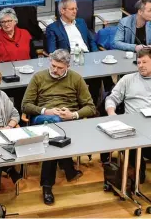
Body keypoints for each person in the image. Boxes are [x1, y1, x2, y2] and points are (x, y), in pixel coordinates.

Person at [104, 48, 151, 206]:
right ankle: (136, 176)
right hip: (133, 130)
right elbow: (112, 97)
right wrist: (111, 112)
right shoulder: (127, 79)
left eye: (144, 62)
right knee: (133, 160)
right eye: (138, 63)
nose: (141, 65)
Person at [22, 49, 96, 205]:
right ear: (50, 61)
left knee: (54, 140)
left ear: (67, 66)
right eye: (53, 65)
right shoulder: (39, 77)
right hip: (43, 119)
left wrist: (73, 114)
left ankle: (48, 185)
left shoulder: (76, 78)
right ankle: (67, 169)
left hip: (68, 121)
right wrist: (46, 111)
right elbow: (25, 105)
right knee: (55, 124)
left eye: (59, 67)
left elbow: (90, 107)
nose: (55, 70)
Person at [46, 0, 104, 107]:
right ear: (62, 11)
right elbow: (52, 52)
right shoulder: (53, 28)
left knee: (101, 75)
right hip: (70, 61)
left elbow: (91, 41)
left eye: (76, 9)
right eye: (72, 9)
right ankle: (82, 107)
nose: (75, 11)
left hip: (88, 57)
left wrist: (96, 54)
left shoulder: (81, 22)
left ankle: (97, 107)